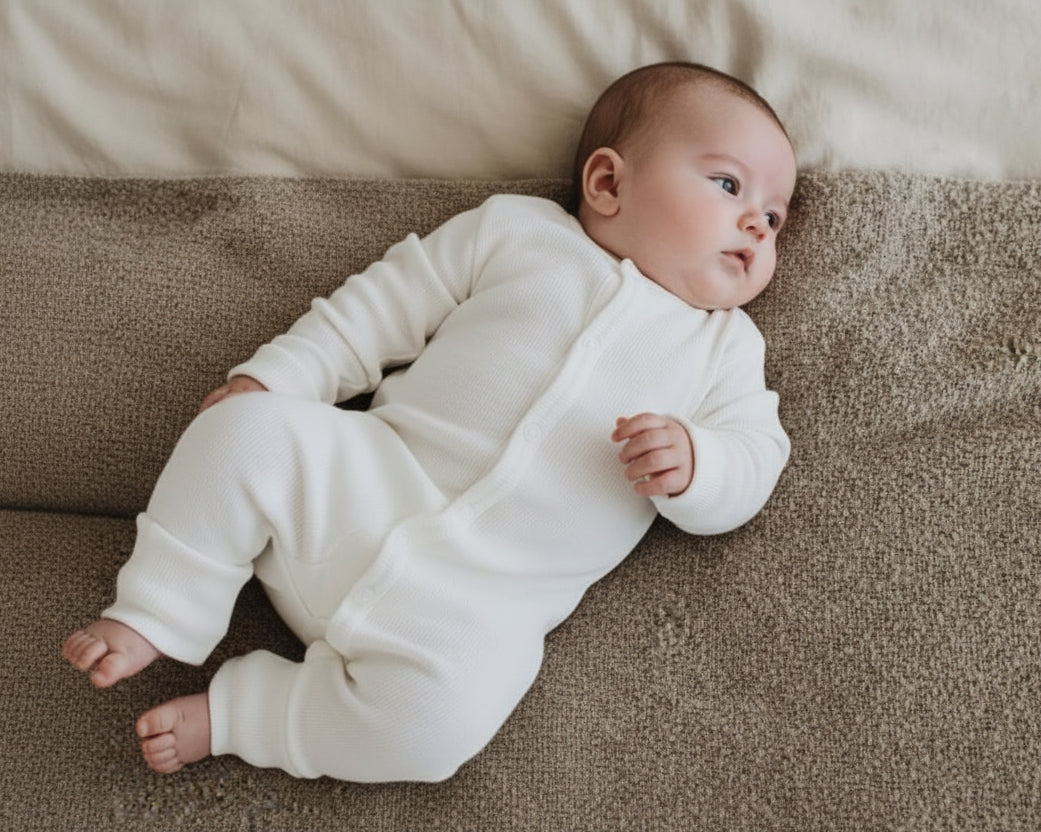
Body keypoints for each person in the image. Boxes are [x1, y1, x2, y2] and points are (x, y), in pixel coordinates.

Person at [63, 61, 797, 781]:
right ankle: (159, 611)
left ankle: (247, 717)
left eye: (773, 216)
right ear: (607, 182)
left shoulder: (726, 350)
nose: (755, 226)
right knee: (243, 428)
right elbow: (378, 309)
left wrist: (699, 466)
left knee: (439, 728)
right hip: (365, 485)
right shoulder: (516, 232)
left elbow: (755, 457)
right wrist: (280, 377)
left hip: (477, 605)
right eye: (728, 185)